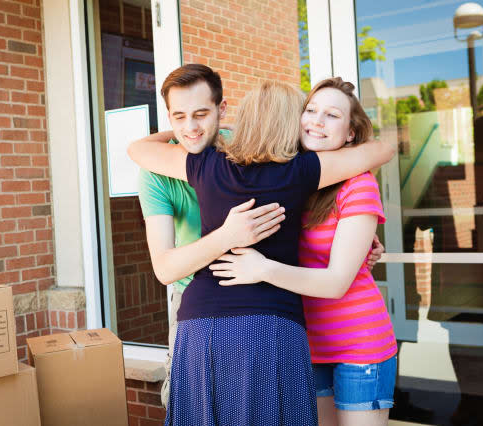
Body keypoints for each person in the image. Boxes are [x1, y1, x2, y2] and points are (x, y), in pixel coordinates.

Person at [129, 77, 396, 425]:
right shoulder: (301, 171)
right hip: (269, 323)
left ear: (238, 119)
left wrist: (189, 131)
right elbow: (383, 150)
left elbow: (136, 149)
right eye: (308, 112)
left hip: (200, 321)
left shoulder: (206, 164)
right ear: (292, 123)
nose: (313, 122)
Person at [210, 78, 398, 426]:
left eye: (332, 115)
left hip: (359, 344)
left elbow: (337, 283)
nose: (316, 121)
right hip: (305, 342)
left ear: (350, 134)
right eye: (310, 110)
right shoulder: (291, 178)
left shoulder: (359, 185)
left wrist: (262, 269)